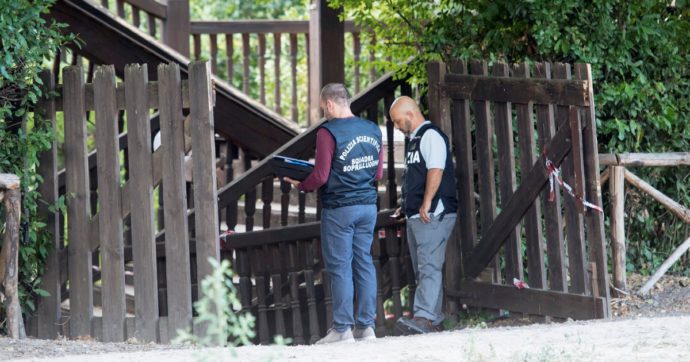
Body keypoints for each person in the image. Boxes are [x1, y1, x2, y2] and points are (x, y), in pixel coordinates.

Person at [284, 83, 384, 344]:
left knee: (340, 266)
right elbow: (378, 173)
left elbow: (320, 175)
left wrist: (301, 184)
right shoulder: (372, 129)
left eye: (322, 108)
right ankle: (367, 327)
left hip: (340, 208)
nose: (323, 112)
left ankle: (342, 329)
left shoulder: (328, 133)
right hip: (368, 206)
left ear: (329, 104)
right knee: (364, 262)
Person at [388, 96, 458, 335]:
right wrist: (406, 205)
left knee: (428, 265)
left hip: (434, 213)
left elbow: (436, 169)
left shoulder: (430, 135)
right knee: (423, 267)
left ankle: (424, 318)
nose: (397, 127)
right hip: (417, 215)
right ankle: (433, 318)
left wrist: (427, 202)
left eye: (398, 121)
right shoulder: (415, 140)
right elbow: (415, 176)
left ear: (410, 114)